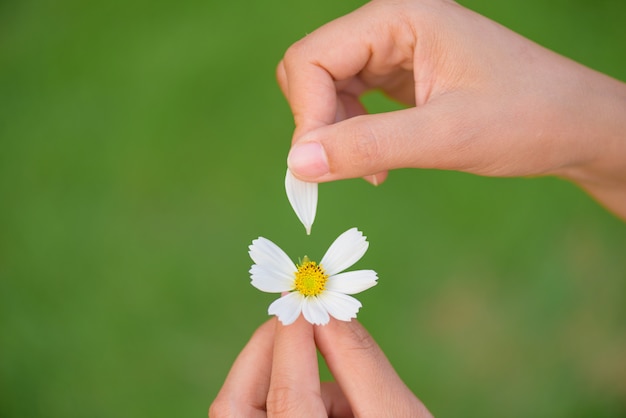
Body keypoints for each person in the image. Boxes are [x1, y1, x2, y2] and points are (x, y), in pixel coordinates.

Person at [211, 0, 626, 416]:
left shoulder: (309, 287)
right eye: (310, 275)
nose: (309, 274)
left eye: (310, 274)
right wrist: (590, 126)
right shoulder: (306, 287)